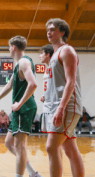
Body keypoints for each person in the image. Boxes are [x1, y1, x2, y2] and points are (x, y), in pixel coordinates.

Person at [0, 36, 41, 177]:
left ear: (14, 47)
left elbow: (33, 84)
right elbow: (10, 85)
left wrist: (20, 103)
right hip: (19, 108)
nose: (9, 49)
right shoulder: (19, 65)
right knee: (9, 143)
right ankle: (33, 173)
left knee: (20, 146)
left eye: (9, 46)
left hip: (24, 107)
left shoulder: (24, 62)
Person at [41, 18, 84, 177]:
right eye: (47, 30)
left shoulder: (67, 50)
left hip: (67, 106)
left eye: (52, 29)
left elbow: (71, 82)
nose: (49, 32)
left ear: (62, 32)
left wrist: (61, 107)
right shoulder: (54, 55)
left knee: (51, 147)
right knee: (70, 149)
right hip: (56, 105)